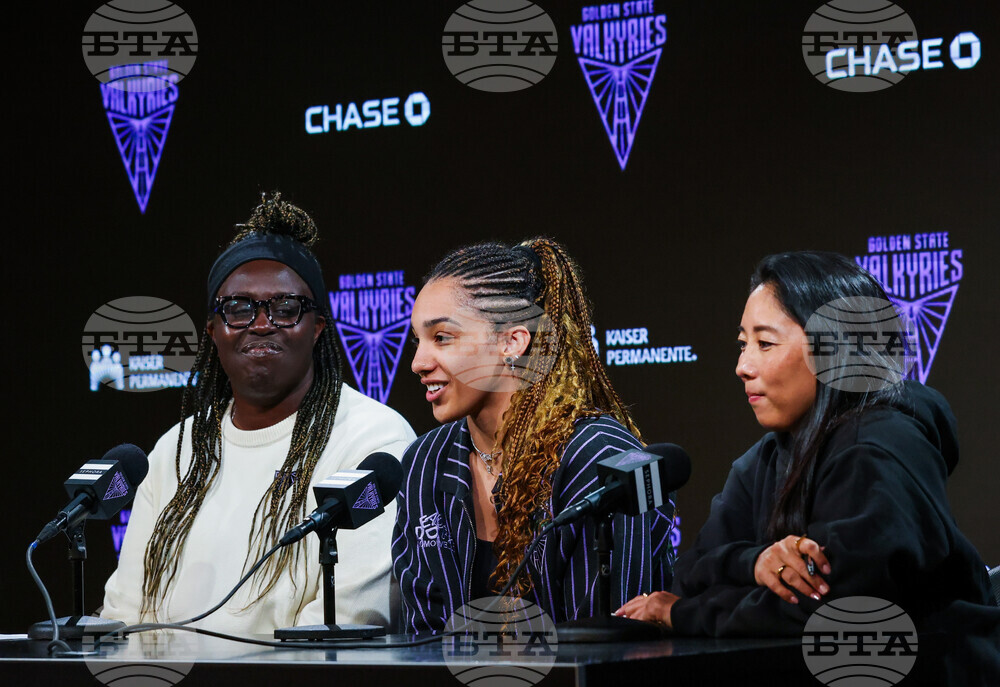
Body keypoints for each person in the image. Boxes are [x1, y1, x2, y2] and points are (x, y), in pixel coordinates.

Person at [615, 251, 998, 680]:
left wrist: (684, 615)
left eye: (765, 343)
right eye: (743, 344)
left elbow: (834, 613)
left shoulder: (882, 443)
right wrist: (756, 562)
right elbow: (692, 574)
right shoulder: (761, 461)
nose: (743, 366)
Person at [101, 194, 416, 634]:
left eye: (286, 308)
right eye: (239, 308)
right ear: (213, 331)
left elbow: (350, 617)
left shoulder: (373, 438)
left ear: (318, 327)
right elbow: (125, 610)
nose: (262, 323)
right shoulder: (176, 448)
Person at [392, 238, 676, 634]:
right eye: (417, 341)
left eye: (442, 337)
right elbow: (421, 638)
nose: (418, 363)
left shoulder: (603, 457)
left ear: (512, 341)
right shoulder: (425, 463)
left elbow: (611, 640)